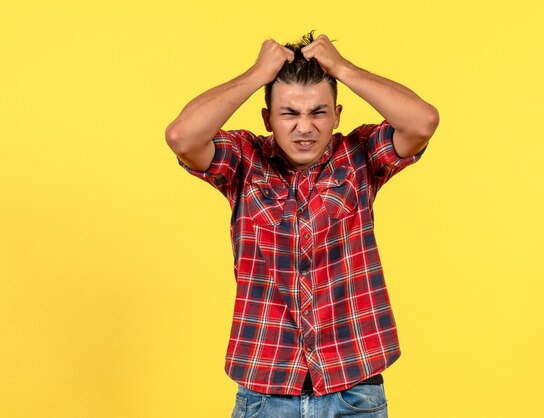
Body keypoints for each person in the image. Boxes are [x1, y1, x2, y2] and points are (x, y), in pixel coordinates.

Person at [165, 32, 439, 418]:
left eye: (318, 112)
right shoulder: (245, 161)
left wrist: (342, 68)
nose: (304, 127)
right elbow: (182, 137)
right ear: (268, 118)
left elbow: (423, 122)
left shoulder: (358, 156)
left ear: (337, 115)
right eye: (290, 114)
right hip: (266, 392)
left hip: (354, 390)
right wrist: (256, 76)